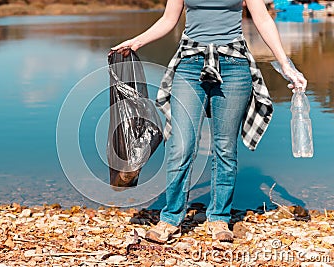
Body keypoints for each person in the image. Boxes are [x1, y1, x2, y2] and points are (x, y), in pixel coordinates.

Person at [111, 0, 307, 243]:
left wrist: (286, 65)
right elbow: (168, 19)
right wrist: (136, 42)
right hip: (190, 64)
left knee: (224, 148)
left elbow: (263, 19)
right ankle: (170, 218)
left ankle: (219, 218)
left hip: (233, 65)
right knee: (181, 146)